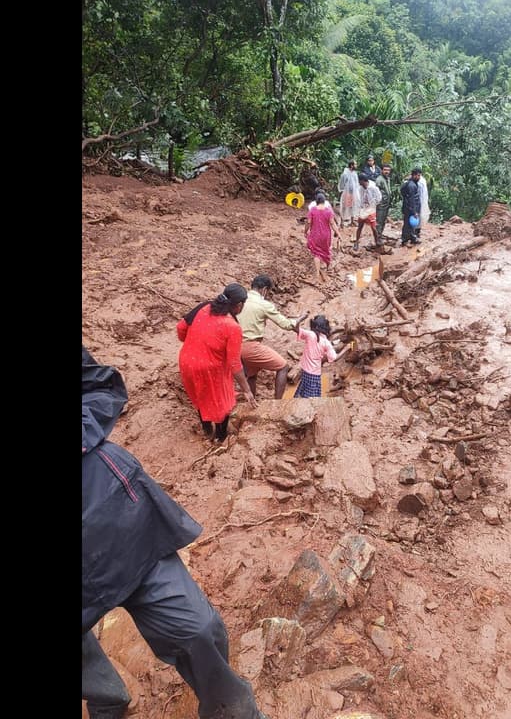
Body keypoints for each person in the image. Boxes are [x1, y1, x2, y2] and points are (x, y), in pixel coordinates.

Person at [82, 347, 269, 719]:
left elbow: (101, 384)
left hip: (120, 520)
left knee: (200, 629)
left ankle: (232, 711)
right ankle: (107, 700)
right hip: (203, 374)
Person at [176, 284, 256, 442]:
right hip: (210, 369)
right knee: (222, 402)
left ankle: (206, 430)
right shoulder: (232, 327)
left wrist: (192, 342)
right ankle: (220, 437)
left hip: (186, 362)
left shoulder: (203, 306)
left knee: (200, 397)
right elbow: (234, 364)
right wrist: (247, 390)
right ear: (239, 306)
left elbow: (180, 327)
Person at [239, 275, 308, 400]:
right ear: (264, 289)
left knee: (252, 375)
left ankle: (251, 404)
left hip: (235, 346)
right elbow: (285, 324)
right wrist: (299, 319)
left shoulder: (241, 299)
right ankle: (277, 403)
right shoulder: (264, 304)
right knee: (283, 367)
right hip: (251, 346)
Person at [292, 315, 350, 398]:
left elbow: (295, 328)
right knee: (312, 399)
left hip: (305, 370)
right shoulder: (326, 343)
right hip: (314, 374)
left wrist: (300, 319)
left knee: (301, 393)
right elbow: (335, 358)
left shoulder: (310, 335)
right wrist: (346, 349)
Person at [305, 192, 340, 282]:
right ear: (324, 201)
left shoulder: (312, 210)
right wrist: (338, 233)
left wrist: (305, 231)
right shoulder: (328, 211)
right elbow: (332, 223)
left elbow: (308, 222)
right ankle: (327, 268)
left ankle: (317, 273)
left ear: (316, 201)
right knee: (326, 250)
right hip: (326, 235)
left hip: (315, 234)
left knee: (316, 253)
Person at [352, 172, 382, 252]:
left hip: (371, 208)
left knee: (373, 227)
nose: (359, 182)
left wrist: (373, 204)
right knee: (360, 226)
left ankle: (377, 241)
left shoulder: (373, 187)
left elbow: (379, 197)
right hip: (363, 209)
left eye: (359, 181)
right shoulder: (360, 188)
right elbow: (358, 199)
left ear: (363, 181)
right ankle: (356, 242)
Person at [400, 167, 423, 246]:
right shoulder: (411, 185)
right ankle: (404, 240)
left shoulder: (412, 183)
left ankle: (413, 238)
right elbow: (411, 199)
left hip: (410, 207)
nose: (419, 177)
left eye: (419, 176)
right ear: (413, 175)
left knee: (412, 224)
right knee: (407, 224)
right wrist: (414, 211)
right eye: (418, 175)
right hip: (410, 208)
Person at [373, 164, 394, 247]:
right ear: (382, 170)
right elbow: (375, 192)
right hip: (381, 204)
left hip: (386, 204)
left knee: (383, 221)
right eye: (385, 170)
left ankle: (380, 236)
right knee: (379, 222)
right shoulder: (379, 180)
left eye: (388, 170)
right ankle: (377, 239)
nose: (387, 171)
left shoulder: (387, 179)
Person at [337, 160, 359, 228]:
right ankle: (342, 222)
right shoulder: (345, 174)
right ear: (351, 165)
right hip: (347, 193)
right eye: (355, 164)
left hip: (353, 193)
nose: (356, 165)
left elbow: (356, 183)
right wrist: (343, 191)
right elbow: (341, 184)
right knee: (344, 207)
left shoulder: (355, 173)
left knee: (353, 206)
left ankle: (352, 221)